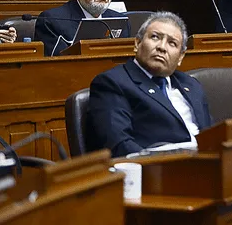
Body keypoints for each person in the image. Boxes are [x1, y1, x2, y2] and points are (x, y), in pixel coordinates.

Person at [86, 12, 212, 157]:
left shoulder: (192, 85)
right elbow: (120, 145)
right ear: (137, 43)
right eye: (155, 37)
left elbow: (211, 134)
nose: (162, 47)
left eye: (172, 43)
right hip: (159, 170)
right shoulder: (112, 83)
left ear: (181, 57)